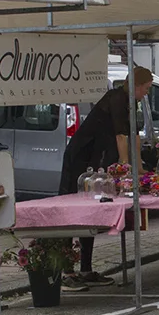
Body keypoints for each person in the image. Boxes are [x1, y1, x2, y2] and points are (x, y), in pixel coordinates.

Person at [58, 66, 153, 290]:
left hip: (96, 159)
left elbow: (133, 137)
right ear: (136, 86)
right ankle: (65, 271)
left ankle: (86, 269)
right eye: (146, 89)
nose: (147, 93)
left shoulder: (131, 101)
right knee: (73, 212)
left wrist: (139, 168)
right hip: (81, 158)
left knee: (90, 213)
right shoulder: (117, 99)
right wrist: (126, 168)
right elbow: (121, 137)